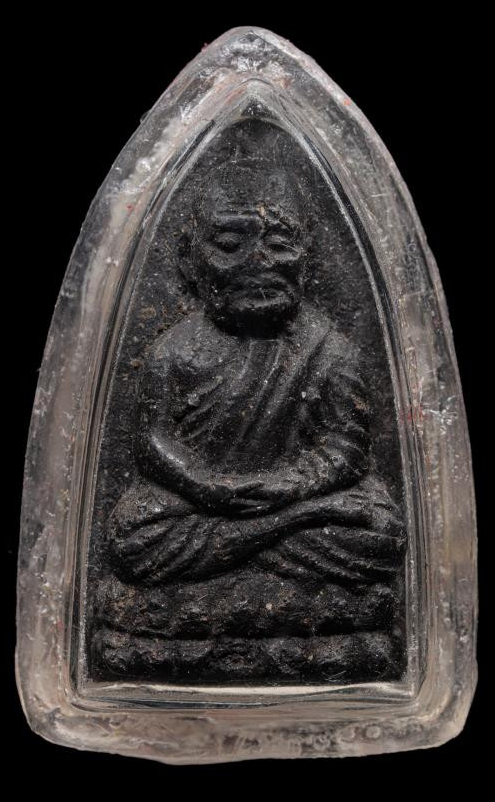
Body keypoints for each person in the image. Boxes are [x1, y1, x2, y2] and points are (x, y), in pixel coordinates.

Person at [94, 129, 406, 683]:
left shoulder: (328, 350)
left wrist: (289, 489)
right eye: (230, 244)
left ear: (306, 257)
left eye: (279, 243)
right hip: (203, 504)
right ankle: (276, 537)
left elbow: (346, 449)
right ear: (190, 259)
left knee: (379, 531)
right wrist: (204, 484)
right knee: (131, 536)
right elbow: (152, 441)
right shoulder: (173, 350)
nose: (257, 262)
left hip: (296, 501)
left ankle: (261, 539)